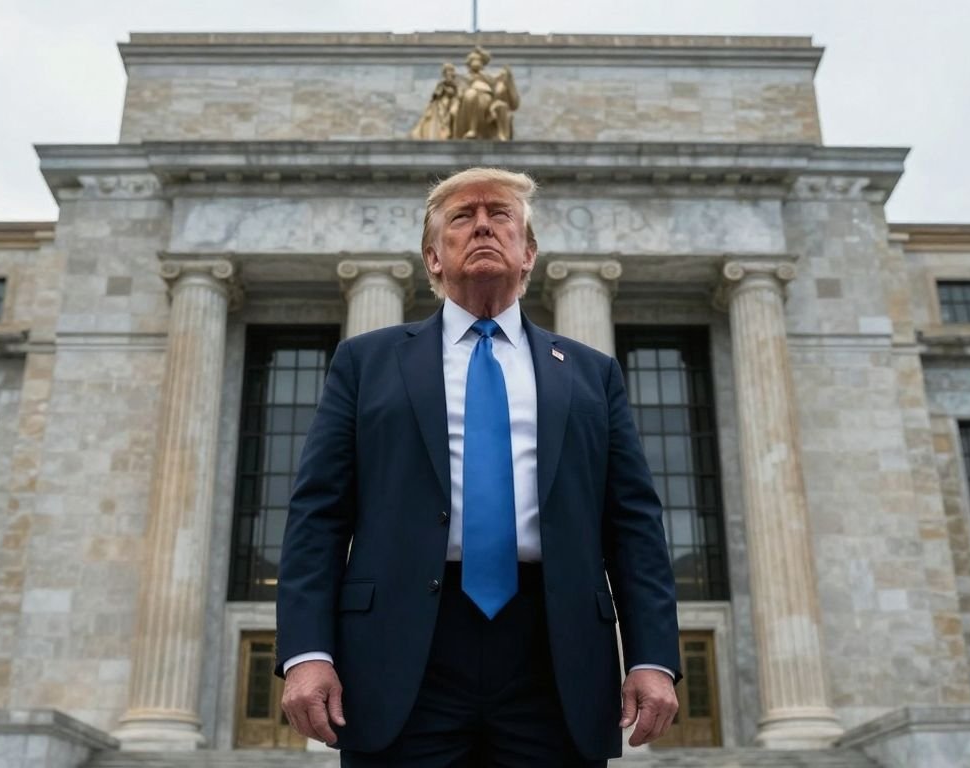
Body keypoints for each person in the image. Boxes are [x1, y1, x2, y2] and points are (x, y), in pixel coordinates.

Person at [275, 167, 680, 766]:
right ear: (433, 258)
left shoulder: (592, 373)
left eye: (502, 216)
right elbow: (319, 515)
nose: (484, 226)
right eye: (463, 217)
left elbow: (633, 525)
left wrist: (651, 657)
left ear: (529, 255)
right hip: (404, 646)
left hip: (553, 648)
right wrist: (307, 650)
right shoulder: (367, 363)